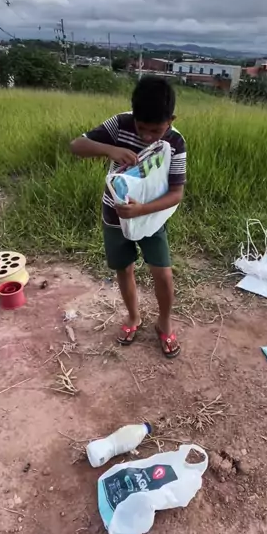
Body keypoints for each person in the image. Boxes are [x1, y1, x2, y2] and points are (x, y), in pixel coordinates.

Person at [70, 76, 186, 358]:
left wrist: (142, 210)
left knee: (163, 274)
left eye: (155, 130)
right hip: (115, 216)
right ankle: (134, 317)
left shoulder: (174, 141)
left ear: (171, 120)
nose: (146, 136)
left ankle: (164, 322)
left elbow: (176, 193)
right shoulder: (120, 124)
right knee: (124, 269)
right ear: (133, 115)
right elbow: (76, 145)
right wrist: (109, 149)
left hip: (151, 218)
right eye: (141, 128)